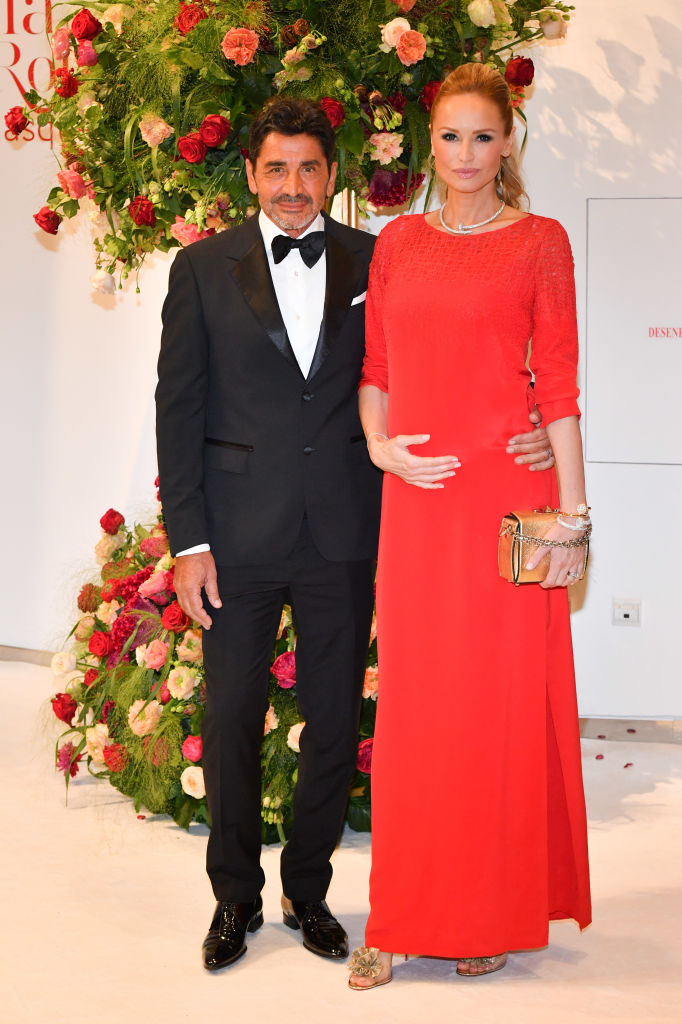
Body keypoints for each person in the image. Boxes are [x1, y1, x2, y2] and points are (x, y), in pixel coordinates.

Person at [155, 96, 556, 974]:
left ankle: (309, 890)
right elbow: (177, 410)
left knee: (335, 722)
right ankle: (234, 898)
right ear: (251, 175)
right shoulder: (201, 268)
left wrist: (529, 416)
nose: (293, 185)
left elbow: (452, 350)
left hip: (345, 529)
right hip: (236, 538)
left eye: (309, 168)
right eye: (276, 168)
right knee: (231, 718)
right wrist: (188, 543)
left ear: (333, 175)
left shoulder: (386, 256)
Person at [349, 64, 592, 990]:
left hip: (502, 503)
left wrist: (573, 514)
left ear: (507, 143)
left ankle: (488, 913)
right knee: (416, 712)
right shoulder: (398, 243)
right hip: (417, 504)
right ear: (430, 143)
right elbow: (375, 370)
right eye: (450, 136)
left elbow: (558, 385)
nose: (465, 154)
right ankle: (399, 918)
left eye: (482, 136)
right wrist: (381, 449)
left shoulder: (540, 241)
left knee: (493, 713)